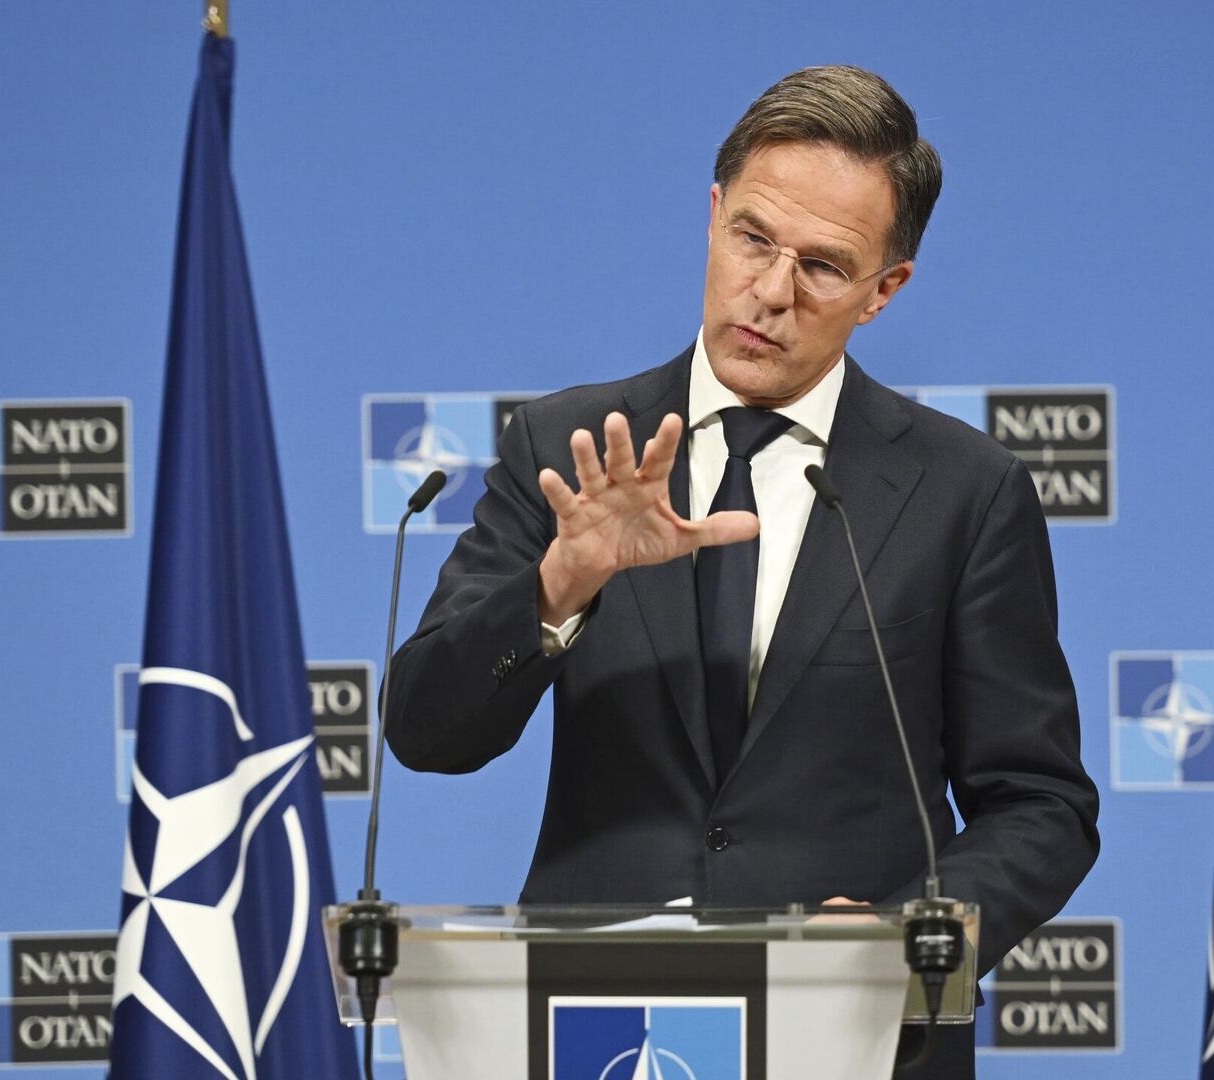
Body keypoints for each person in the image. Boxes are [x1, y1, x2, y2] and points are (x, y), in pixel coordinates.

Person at [383, 64, 1098, 1078]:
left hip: (854, 1039)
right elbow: (426, 729)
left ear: (884, 290)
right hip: (597, 1031)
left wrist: (903, 940)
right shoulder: (569, 447)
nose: (771, 292)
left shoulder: (964, 493)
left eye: (823, 266)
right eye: (754, 239)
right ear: (713, 215)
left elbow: (1040, 804)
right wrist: (559, 587)